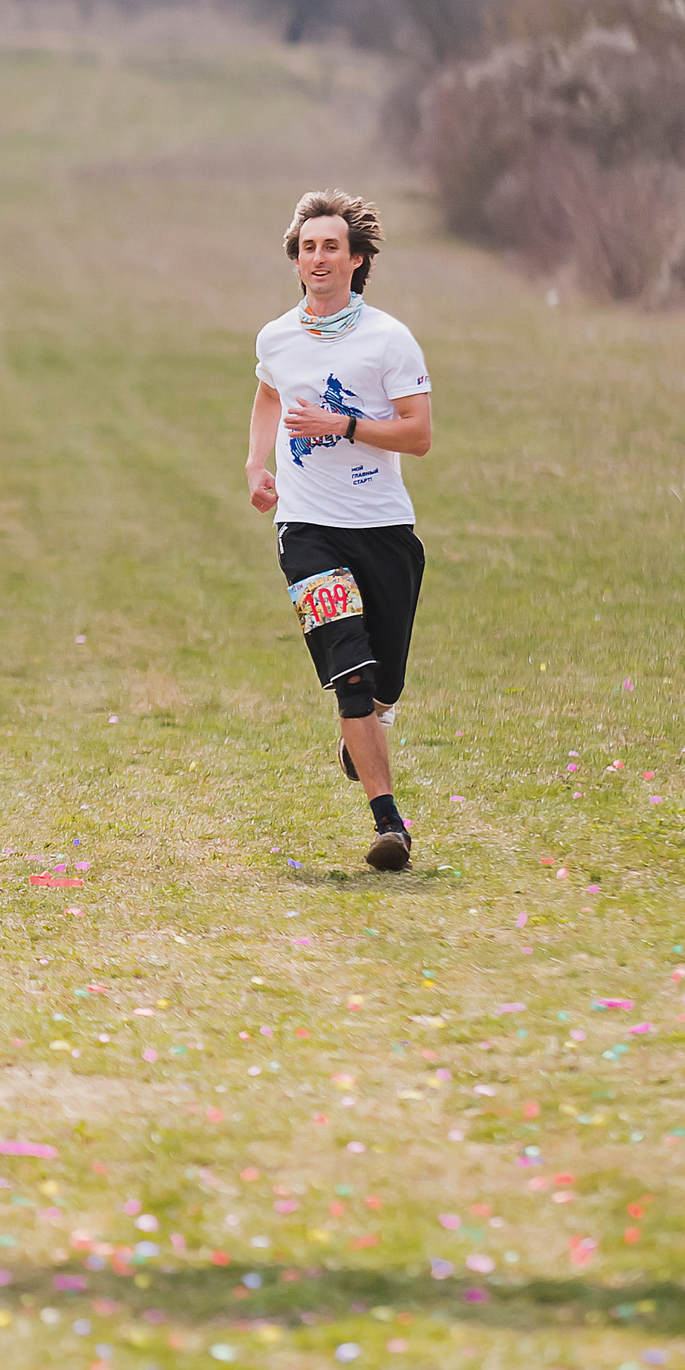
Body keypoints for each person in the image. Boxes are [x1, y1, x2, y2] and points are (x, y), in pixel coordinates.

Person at [244, 190, 433, 871]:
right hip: (306, 530)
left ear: (356, 260)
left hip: (382, 528)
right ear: (295, 261)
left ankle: (369, 725)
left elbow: (419, 434)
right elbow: (269, 391)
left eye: (331, 246)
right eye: (307, 247)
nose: (318, 257)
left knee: (384, 683)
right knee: (350, 674)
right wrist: (255, 463)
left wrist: (343, 425)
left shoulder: (388, 338)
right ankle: (390, 825)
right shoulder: (276, 337)